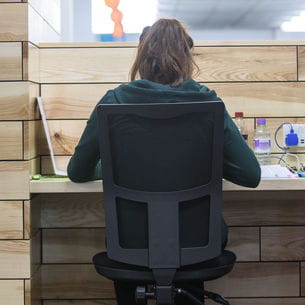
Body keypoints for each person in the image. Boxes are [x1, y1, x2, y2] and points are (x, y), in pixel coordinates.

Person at [68, 18, 261, 305]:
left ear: (141, 58)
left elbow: (77, 171)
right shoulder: (207, 102)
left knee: (132, 248)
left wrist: (113, 167)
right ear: (187, 58)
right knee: (192, 237)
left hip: (128, 243)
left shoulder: (115, 100)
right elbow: (250, 174)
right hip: (197, 244)